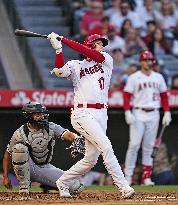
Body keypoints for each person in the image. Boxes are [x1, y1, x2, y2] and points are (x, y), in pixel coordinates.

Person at [47, 33, 135, 198]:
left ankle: (63, 182)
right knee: (106, 146)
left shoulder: (106, 59)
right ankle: (123, 187)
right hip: (82, 112)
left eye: (102, 44)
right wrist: (58, 50)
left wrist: (64, 40)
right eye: (99, 43)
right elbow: (58, 71)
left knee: (90, 159)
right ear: (90, 44)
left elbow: (91, 53)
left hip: (102, 113)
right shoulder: (76, 64)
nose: (102, 46)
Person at [2, 101, 84, 194]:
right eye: (38, 114)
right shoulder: (20, 133)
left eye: (42, 114)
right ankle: (24, 187)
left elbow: (68, 135)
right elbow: (7, 154)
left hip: (45, 166)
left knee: (76, 187)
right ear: (29, 116)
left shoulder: (50, 127)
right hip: (28, 168)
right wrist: (5, 177)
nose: (42, 116)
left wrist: (77, 138)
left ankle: (47, 183)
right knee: (19, 148)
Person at [123, 50, 172, 186]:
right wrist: (127, 112)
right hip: (138, 112)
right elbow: (126, 95)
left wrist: (167, 112)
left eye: (149, 60)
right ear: (141, 62)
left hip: (154, 113)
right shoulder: (134, 77)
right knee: (134, 144)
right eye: (145, 60)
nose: (147, 62)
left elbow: (164, 96)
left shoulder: (158, 77)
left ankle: (146, 177)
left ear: (152, 61)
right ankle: (128, 176)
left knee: (149, 147)